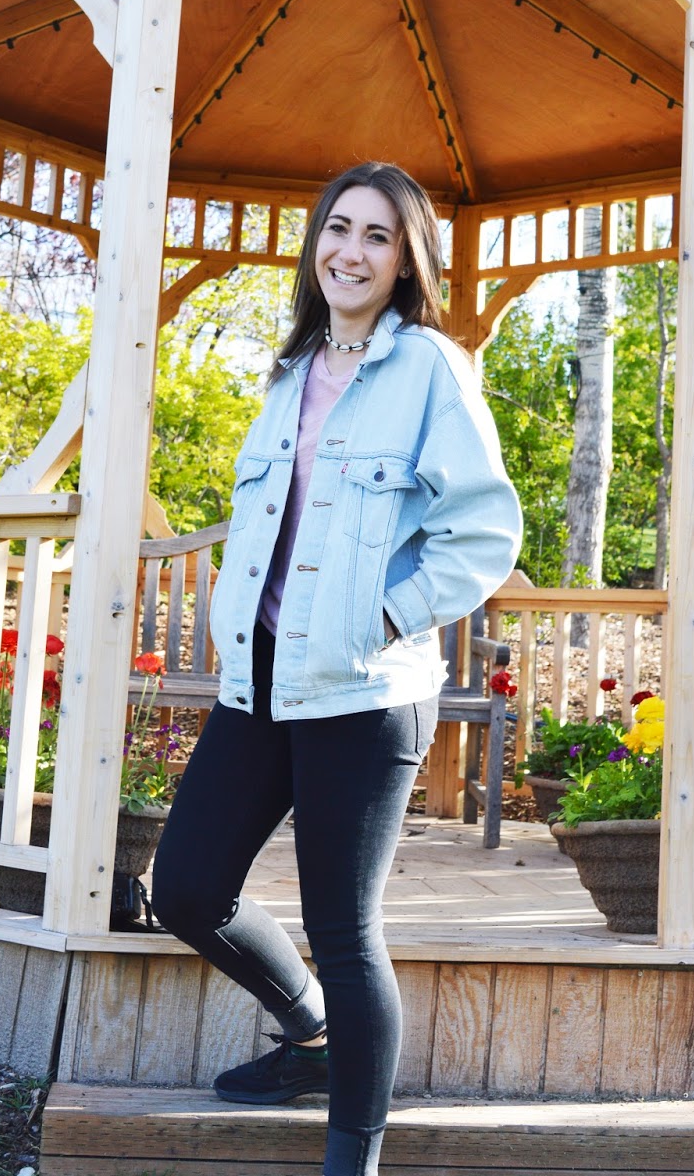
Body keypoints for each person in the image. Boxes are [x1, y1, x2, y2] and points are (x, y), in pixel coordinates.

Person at [151, 161, 522, 1176]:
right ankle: (309, 1034)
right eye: (338, 229)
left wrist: (384, 616)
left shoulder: (431, 368)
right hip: (262, 681)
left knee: (344, 929)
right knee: (185, 890)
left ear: (405, 263)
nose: (350, 252)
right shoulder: (289, 372)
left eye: (377, 236)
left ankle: (351, 1158)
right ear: (316, 243)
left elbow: (484, 531)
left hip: (366, 690)